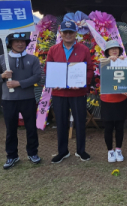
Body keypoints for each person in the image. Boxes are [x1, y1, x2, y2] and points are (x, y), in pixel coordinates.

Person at [0, 32, 42, 169]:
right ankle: (12, 156)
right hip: (9, 100)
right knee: (11, 129)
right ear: (10, 43)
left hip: (28, 99)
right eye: (16, 41)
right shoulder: (2, 59)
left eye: (23, 41)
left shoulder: (33, 59)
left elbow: (37, 76)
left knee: (31, 128)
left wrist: (19, 83)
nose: (20, 44)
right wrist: (2, 76)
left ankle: (33, 153)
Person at [46, 21, 94, 163]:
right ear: (60, 33)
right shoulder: (53, 50)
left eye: (71, 32)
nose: (68, 35)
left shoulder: (84, 49)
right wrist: (55, 82)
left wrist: (81, 83)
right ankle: (63, 151)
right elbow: (48, 69)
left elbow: (90, 69)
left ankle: (81, 150)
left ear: (75, 34)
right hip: (59, 93)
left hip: (78, 93)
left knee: (80, 122)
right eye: (65, 32)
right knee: (61, 122)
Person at [100, 40, 127, 163]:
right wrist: (108, 61)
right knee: (108, 127)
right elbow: (100, 76)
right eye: (112, 49)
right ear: (107, 51)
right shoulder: (103, 62)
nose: (114, 50)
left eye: (117, 48)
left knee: (120, 127)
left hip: (121, 100)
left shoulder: (125, 61)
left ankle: (118, 149)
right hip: (107, 100)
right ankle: (110, 151)